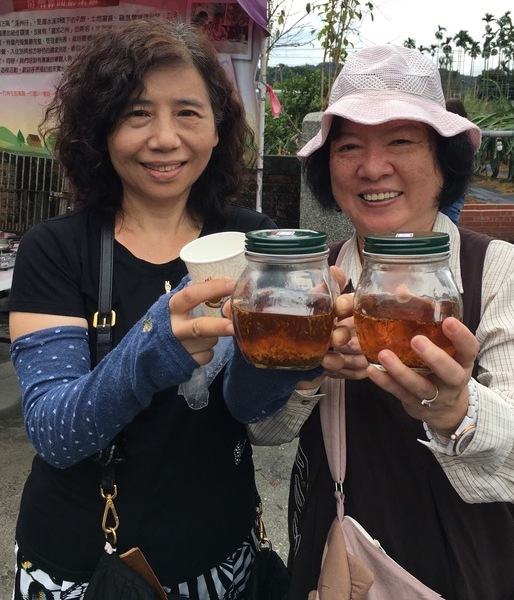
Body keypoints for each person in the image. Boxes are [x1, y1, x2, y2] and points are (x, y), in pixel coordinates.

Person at [7, 17, 287, 599]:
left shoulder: (250, 239)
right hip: (87, 568)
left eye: (188, 112)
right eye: (137, 114)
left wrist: (295, 354)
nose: (165, 138)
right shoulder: (56, 249)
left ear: (217, 129)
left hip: (224, 557)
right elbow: (55, 432)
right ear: (101, 129)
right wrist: (155, 347)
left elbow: (251, 408)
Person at [225, 45, 514, 600]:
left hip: (469, 560)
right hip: (337, 555)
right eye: (349, 146)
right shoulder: (314, 279)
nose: (372, 167)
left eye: (401, 142)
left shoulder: (496, 273)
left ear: (445, 160)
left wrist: (458, 411)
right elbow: (264, 432)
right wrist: (305, 369)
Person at [441, 97, 470, 224]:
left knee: (446, 218)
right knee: (451, 218)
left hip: (448, 182)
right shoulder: (467, 136)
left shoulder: (448, 137)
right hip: (459, 184)